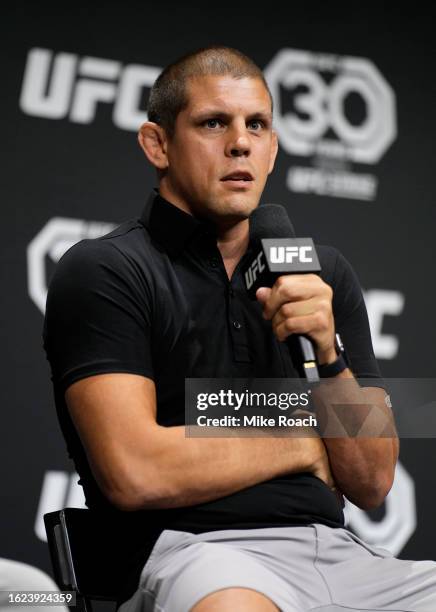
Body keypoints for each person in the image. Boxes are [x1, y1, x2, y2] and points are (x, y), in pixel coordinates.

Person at [43, 46, 436, 611]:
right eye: (212, 123)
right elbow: (134, 472)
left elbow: (372, 481)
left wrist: (328, 356)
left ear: (273, 148)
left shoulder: (320, 274)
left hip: (339, 555)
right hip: (194, 553)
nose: (240, 142)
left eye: (257, 124)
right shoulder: (106, 269)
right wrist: (302, 443)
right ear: (158, 145)